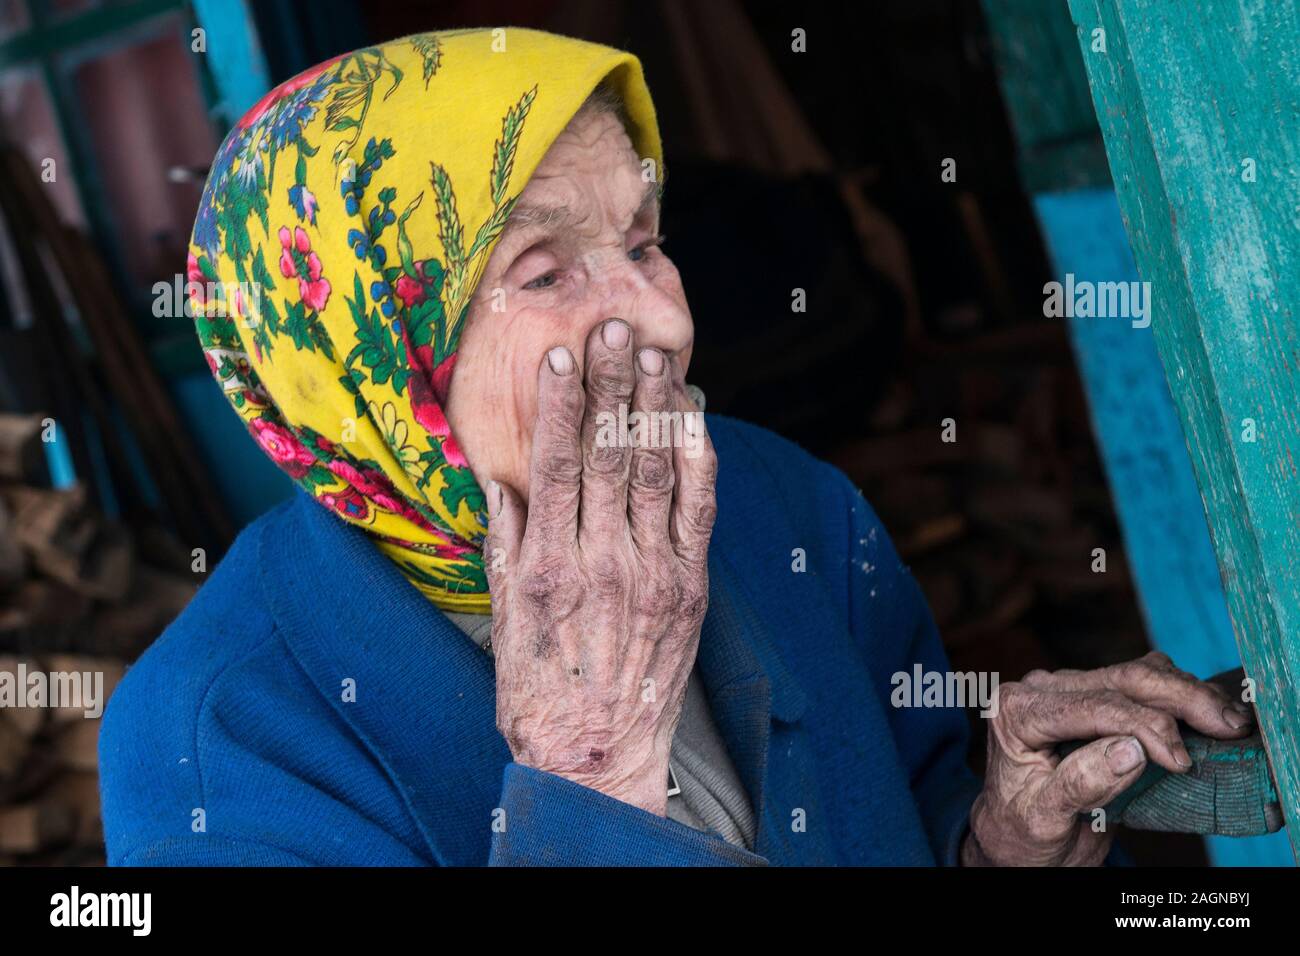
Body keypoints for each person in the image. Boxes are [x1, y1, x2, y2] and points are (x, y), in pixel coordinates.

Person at [98, 28, 1254, 866]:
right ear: (359, 357)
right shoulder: (217, 738)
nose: (655, 317)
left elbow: (909, 808)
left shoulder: (783, 505)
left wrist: (994, 841)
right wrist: (589, 778)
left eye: (645, 242)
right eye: (544, 272)